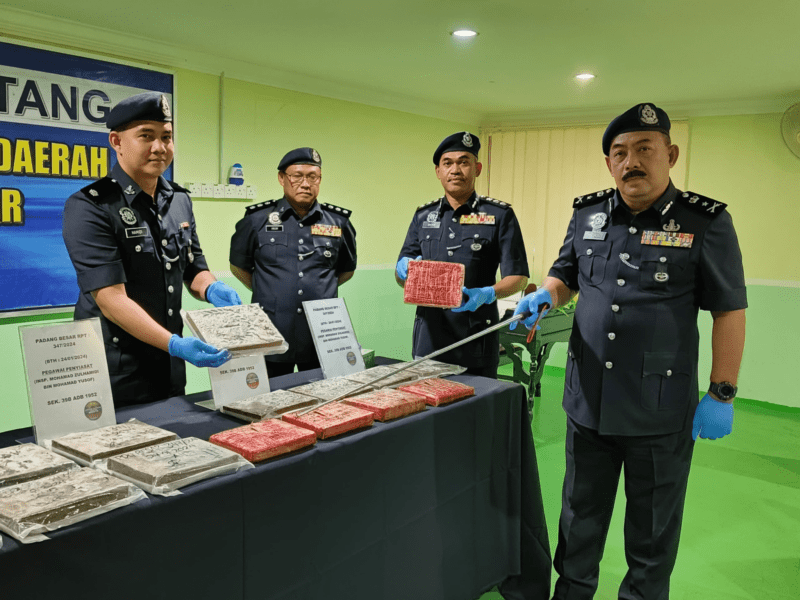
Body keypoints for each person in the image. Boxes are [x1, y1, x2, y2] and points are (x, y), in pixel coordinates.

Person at [513, 103, 747, 599]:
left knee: (651, 535)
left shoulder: (705, 222)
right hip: (589, 403)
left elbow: (729, 310)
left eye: (644, 149)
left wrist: (722, 392)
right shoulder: (588, 213)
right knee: (577, 524)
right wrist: (546, 294)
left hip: (658, 414)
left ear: (671, 154)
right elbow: (566, 274)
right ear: (609, 164)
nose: (631, 161)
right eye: (620, 152)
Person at [63, 92, 240, 408]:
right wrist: (174, 344)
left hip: (170, 369)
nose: (160, 147)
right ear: (117, 142)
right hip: (116, 371)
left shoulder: (179, 200)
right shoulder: (91, 206)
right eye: (146, 136)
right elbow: (111, 299)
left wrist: (212, 288)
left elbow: (192, 267)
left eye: (167, 137)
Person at [396, 132, 529, 378]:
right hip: (429, 341)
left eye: (463, 162)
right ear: (438, 171)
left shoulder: (499, 216)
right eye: (448, 163)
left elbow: (519, 277)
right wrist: (402, 270)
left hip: (476, 338)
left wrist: (488, 293)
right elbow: (402, 272)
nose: (455, 170)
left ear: (477, 168)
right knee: (429, 414)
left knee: (477, 413)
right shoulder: (423, 217)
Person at [229, 148, 357, 378]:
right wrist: (268, 291)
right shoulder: (256, 220)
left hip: (322, 335)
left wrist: (318, 289)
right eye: (297, 176)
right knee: (269, 403)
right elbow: (238, 266)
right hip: (271, 332)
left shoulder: (338, 223)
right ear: (282, 178)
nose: (305, 183)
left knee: (324, 403)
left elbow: (346, 270)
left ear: (320, 179)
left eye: (312, 176)